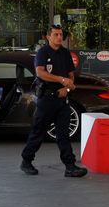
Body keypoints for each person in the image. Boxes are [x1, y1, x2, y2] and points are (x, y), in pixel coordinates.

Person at [20, 24, 87, 178]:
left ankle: (70, 166)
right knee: (38, 132)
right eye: (56, 34)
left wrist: (67, 88)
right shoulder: (43, 52)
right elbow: (41, 73)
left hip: (62, 99)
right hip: (47, 99)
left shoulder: (65, 53)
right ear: (48, 37)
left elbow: (71, 76)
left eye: (61, 34)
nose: (59, 37)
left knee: (63, 134)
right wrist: (61, 79)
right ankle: (26, 161)